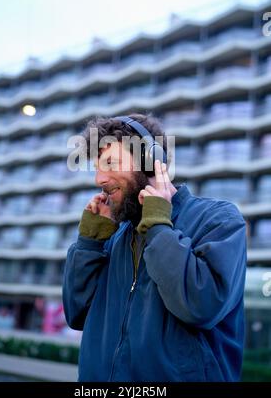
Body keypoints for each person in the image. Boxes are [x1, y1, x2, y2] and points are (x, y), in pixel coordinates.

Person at [63, 113, 247, 382]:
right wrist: (90, 244)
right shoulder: (114, 237)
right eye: (97, 168)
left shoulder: (218, 219)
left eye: (110, 163)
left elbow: (201, 306)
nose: (100, 178)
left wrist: (159, 227)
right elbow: (76, 313)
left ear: (151, 160)